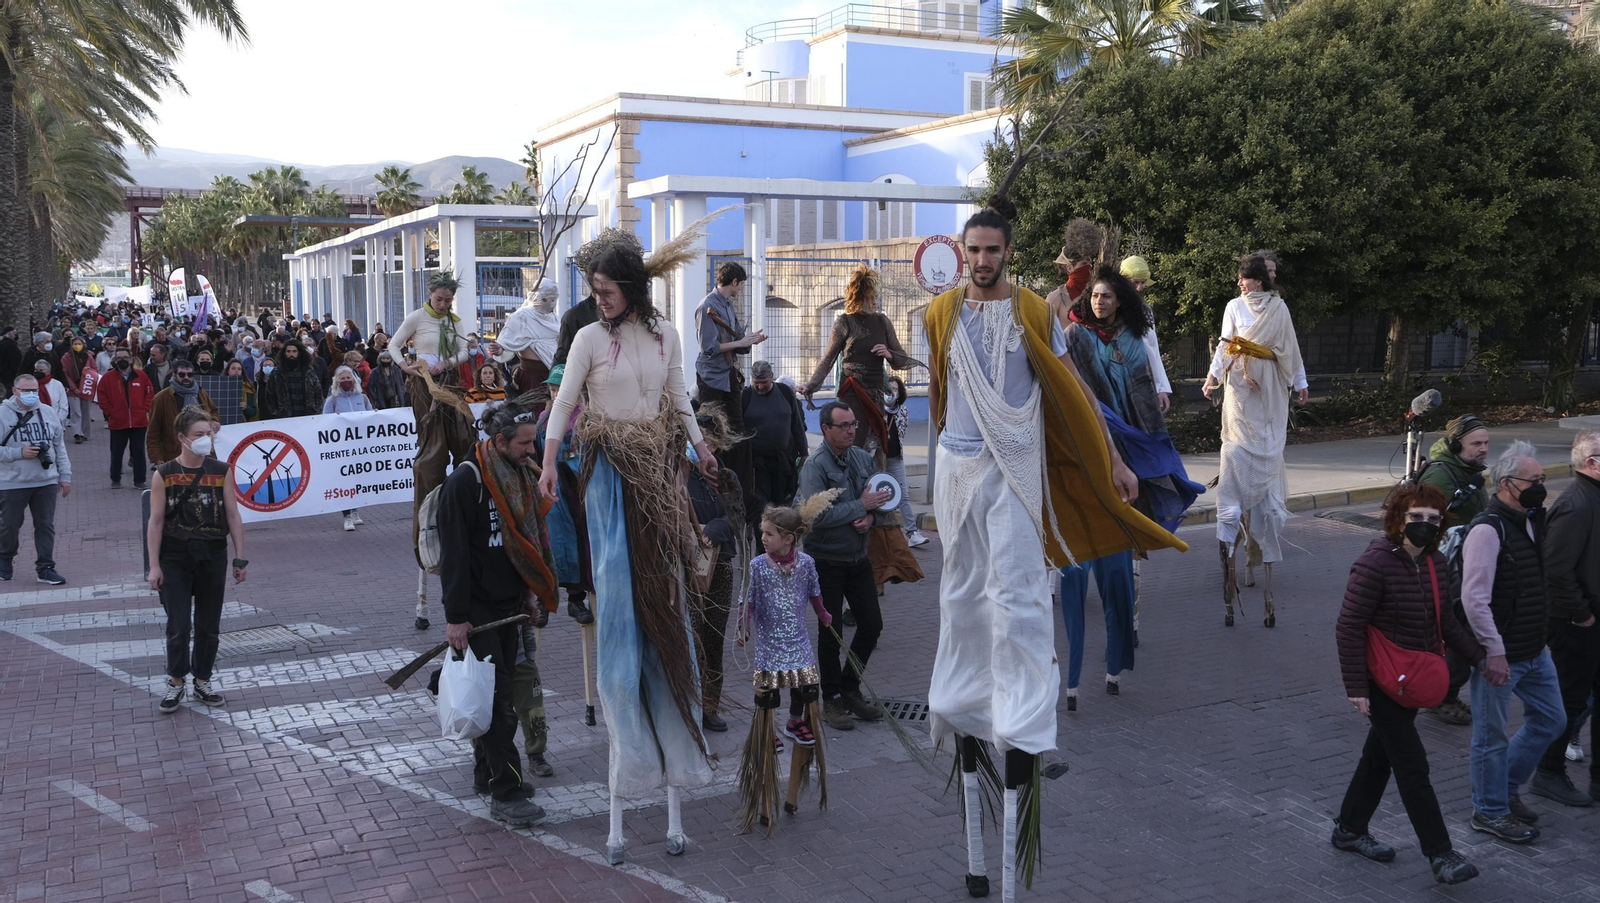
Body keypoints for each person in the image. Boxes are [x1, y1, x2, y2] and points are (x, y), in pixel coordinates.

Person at [923, 201, 1178, 902]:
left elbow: (1075, 393)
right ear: (961, 250)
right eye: (972, 249)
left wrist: (1117, 463)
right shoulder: (939, 313)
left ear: (1008, 251)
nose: (981, 259)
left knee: (1017, 596)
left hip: (1015, 471)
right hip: (957, 469)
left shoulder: (1037, 312)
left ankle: (1024, 720)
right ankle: (963, 701)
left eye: (991, 249)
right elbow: (943, 400)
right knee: (960, 600)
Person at [539, 232, 720, 865]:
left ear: (632, 289)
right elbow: (563, 406)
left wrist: (698, 447)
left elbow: (677, 399)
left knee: (664, 604)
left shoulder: (667, 336)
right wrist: (544, 467)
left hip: (656, 474)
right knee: (620, 607)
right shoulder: (589, 338)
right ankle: (627, 753)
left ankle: (674, 739)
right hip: (610, 478)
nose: (600, 300)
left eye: (607, 291)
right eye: (595, 292)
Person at [1058, 267, 1202, 705]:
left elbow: (1143, 399)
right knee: (1074, 566)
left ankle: (1115, 662)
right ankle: (1073, 674)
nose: (1100, 302)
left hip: (1126, 454)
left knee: (1118, 571)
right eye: (1095, 296)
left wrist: (1147, 449)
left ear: (1120, 301)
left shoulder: (1132, 341)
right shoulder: (1071, 337)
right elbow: (1063, 394)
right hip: (1084, 451)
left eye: (1107, 296)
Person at [1332, 484, 1484, 885]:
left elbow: (1446, 621)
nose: (1424, 525)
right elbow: (1349, 626)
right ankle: (1441, 855)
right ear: (1398, 519)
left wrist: (1481, 660)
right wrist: (1356, 687)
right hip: (1381, 679)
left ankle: (1349, 829)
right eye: (1416, 517)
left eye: (1433, 519)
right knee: (1412, 764)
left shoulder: (1434, 561)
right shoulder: (1375, 563)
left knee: (1379, 758)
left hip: (1411, 680)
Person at [440, 400, 560, 826]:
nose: (533, 450)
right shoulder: (466, 482)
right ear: (501, 440)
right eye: (526, 443)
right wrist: (456, 617)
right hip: (477, 612)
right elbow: (452, 557)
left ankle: (486, 774)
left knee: (496, 700)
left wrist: (530, 595)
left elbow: (524, 546)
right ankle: (506, 793)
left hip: (509, 607)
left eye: (534, 441)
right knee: (501, 703)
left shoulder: (518, 477)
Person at [1460, 441, 1567, 843]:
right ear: (1507, 483)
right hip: (1499, 654)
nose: (1542, 485)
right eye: (1534, 480)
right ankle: (1488, 811)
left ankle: (1503, 790)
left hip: (1534, 649)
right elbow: (1474, 598)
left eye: (1543, 478)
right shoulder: (1488, 530)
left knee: (1551, 719)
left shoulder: (1531, 520)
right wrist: (1494, 651)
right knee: (1490, 737)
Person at [1201, 255, 1307, 628]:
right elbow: (1225, 346)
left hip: (1270, 396)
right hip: (1240, 397)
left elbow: (1290, 349)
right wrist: (1213, 378)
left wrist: (1301, 382)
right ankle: (1229, 559)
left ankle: (1265, 585)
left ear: (1259, 281)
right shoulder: (1233, 307)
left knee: (1267, 484)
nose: (1240, 283)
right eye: (1240, 278)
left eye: (1245, 278)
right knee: (1232, 467)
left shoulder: (1279, 309)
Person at [734, 498, 834, 833]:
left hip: (798, 642)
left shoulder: (806, 564)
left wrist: (822, 615)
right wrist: (743, 625)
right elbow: (746, 599)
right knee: (768, 694)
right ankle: (770, 731)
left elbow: (815, 593)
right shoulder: (759, 565)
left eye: (769, 533)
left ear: (789, 538)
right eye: (762, 532)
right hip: (770, 642)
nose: (763, 538)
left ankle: (794, 722)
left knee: (806, 687)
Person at [146, 407, 247, 714]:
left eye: (208, 434)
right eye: (198, 435)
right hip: (175, 555)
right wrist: (154, 565)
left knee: (208, 624)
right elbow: (156, 521)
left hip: (213, 554)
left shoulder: (221, 470)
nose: (205, 440)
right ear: (182, 438)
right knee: (178, 624)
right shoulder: (164, 473)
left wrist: (240, 557)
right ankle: (176, 681)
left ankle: (202, 679)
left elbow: (232, 513)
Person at [797, 401, 890, 732]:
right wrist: (858, 507)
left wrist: (870, 516)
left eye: (852, 424)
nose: (852, 429)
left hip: (858, 558)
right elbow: (814, 517)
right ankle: (832, 698)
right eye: (844, 425)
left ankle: (850, 687)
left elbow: (882, 499)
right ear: (826, 429)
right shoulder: (815, 467)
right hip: (827, 561)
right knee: (831, 632)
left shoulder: (862, 458)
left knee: (871, 625)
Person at [391, 271, 476, 629]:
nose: (443, 305)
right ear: (430, 295)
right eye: (439, 299)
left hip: (449, 383)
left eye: (448, 301)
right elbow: (394, 345)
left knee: (463, 435)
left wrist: (449, 364)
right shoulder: (417, 316)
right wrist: (406, 365)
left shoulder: (454, 322)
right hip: (423, 384)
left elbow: (463, 352)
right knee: (432, 446)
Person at [1532, 429, 1600, 807]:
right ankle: (1548, 772)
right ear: (1592, 464)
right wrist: (1582, 614)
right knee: (1569, 701)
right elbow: (1556, 568)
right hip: (1575, 623)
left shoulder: (1592, 497)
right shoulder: (1577, 503)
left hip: (1589, 618)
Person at [1419, 413, 1492, 726]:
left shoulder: (1468, 472)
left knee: (1464, 636)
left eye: (1486, 442)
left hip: (1467, 567)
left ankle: (1445, 692)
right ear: (1455, 443)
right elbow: (1424, 529)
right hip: (1449, 571)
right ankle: (1439, 696)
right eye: (1476, 443)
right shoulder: (1440, 477)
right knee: (1458, 636)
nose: (1484, 449)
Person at [801, 266, 913, 460]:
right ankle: (848, 485)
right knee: (850, 443)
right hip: (851, 393)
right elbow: (828, 359)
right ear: (864, 295)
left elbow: (901, 360)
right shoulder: (844, 322)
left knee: (878, 446)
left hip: (875, 394)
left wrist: (888, 353)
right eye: (873, 294)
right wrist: (811, 385)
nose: (876, 299)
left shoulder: (882, 322)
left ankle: (876, 485)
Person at [694, 261, 765, 510]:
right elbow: (709, 348)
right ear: (734, 282)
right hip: (712, 379)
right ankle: (715, 490)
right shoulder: (706, 307)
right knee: (713, 432)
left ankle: (741, 490)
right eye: (741, 284)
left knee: (737, 432)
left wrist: (750, 340)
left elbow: (736, 340)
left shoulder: (727, 305)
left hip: (728, 375)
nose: (741, 288)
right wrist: (740, 343)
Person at [0, 374, 71, 584]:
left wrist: (65, 476)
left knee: (45, 525)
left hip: (45, 480)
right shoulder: (3, 414)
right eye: (26, 391)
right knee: (10, 525)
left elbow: (59, 447)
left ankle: (46, 567)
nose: (31, 395)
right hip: (13, 482)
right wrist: (18, 453)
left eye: (34, 391)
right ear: (15, 391)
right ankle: (5, 558)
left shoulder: (48, 413)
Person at [741, 360, 808, 514]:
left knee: (780, 505)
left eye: (764, 382)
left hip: (783, 461)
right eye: (756, 383)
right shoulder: (746, 396)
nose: (760, 387)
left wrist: (804, 453)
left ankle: (778, 535)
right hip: (757, 463)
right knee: (762, 505)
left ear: (772, 377)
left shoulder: (784, 392)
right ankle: (762, 537)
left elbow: (797, 425)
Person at [1119, 255, 1173, 414]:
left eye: (1143, 283)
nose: (1140, 288)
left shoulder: (1145, 311)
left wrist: (1161, 387)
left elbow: (1152, 349)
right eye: (1136, 282)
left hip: (1142, 381)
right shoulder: (1110, 309)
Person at [94, 347, 154, 489]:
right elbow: (102, 396)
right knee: (116, 452)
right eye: (119, 358)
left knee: (139, 452)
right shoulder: (108, 378)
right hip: (117, 421)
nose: (122, 360)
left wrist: (144, 408)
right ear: (115, 360)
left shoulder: (141, 375)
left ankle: (140, 480)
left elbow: (149, 392)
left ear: (131, 359)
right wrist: (111, 412)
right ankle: (115, 479)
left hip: (138, 422)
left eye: (125, 358)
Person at [880, 375, 929, 548]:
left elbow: (901, 434)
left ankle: (912, 533)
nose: (891, 392)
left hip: (895, 458)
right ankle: (880, 534)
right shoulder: (877, 408)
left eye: (895, 389)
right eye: (889, 389)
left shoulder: (903, 411)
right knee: (879, 494)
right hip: (878, 459)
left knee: (903, 495)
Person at [324, 366, 374, 532]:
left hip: (359, 448)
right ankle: (346, 515)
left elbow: (370, 419)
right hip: (341, 449)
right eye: (342, 379)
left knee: (357, 480)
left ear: (354, 379)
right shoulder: (332, 401)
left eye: (348, 378)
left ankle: (355, 510)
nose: (346, 381)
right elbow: (324, 423)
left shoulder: (363, 398)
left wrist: (376, 415)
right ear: (337, 381)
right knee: (344, 481)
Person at [146, 361, 219, 469]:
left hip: (203, 454)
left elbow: (213, 410)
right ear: (174, 375)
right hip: (174, 455)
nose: (186, 377)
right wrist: (156, 458)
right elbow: (153, 431)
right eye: (182, 374)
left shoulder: (200, 392)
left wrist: (214, 420)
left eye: (190, 374)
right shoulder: (161, 398)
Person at [261, 341, 322, 420]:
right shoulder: (277, 373)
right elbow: (270, 395)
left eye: (294, 351)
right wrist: (276, 413)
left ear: (299, 353)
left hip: (307, 416)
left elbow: (318, 392)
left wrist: (315, 410)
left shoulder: (308, 371)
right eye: (288, 351)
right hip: (285, 418)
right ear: (284, 353)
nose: (291, 354)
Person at [60, 334, 95, 445]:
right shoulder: (66, 357)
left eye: (79, 344)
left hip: (86, 387)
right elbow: (65, 373)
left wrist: (89, 370)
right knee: (76, 412)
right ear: (71, 345)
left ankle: (85, 433)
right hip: (73, 389)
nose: (77, 346)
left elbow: (95, 369)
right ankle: (77, 433)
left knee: (86, 412)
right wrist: (73, 388)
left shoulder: (88, 356)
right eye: (75, 344)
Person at [0, 325, 21, 392]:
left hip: (4, 374)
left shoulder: (3, 344)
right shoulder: (10, 346)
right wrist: (18, 373)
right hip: (10, 375)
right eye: (14, 333)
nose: (16, 335)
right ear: (9, 334)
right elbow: (15, 362)